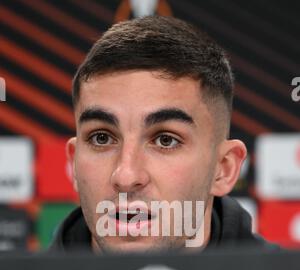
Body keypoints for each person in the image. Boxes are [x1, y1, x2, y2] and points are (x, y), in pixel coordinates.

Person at [49, 15, 278, 254]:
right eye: (101, 138)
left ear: (223, 169)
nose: (126, 176)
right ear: (74, 163)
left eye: (165, 140)